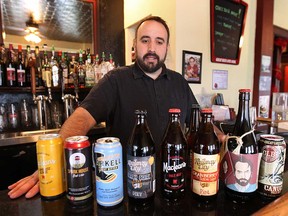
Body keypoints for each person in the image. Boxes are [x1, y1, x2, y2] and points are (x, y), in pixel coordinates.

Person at [7, 16, 225, 199]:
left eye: (159, 41)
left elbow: (203, 126)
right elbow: (81, 119)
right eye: (145, 40)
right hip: (125, 191)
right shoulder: (115, 80)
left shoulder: (179, 82)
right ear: (134, 44)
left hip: (175, 186)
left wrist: (224, 142)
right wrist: (50, 166)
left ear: (167, 47)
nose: (151, 48)